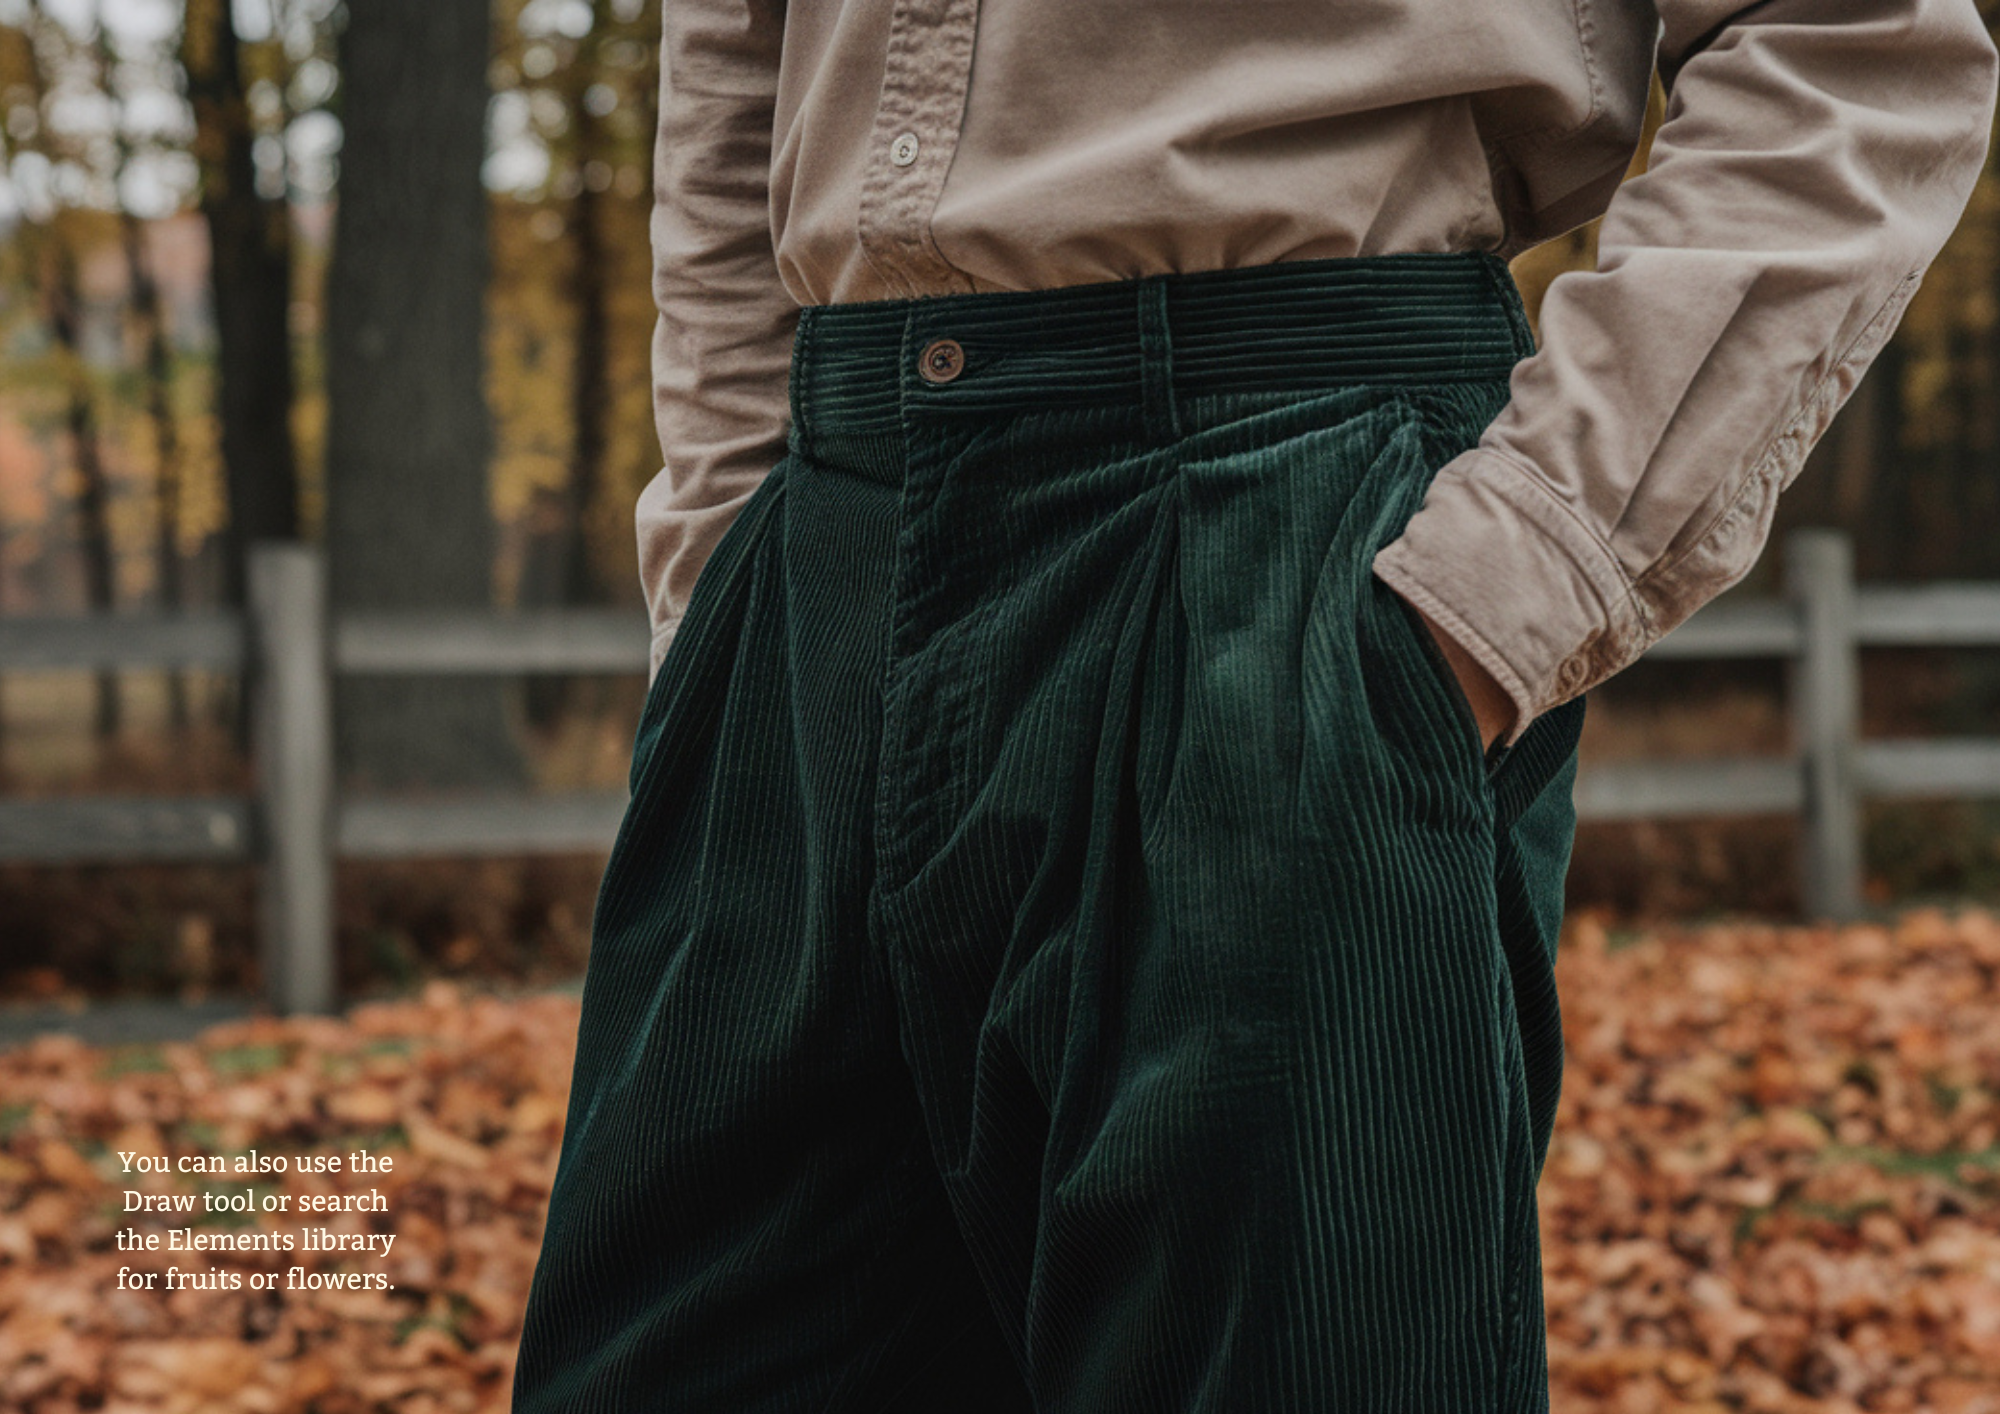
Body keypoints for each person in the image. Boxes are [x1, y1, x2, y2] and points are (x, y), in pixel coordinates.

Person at [513, 1, 1997, 1408]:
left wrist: (1499, 598)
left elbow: (1858, 42)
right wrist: (720, 587)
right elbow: (729, 71)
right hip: (821, 553)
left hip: (1285, 516)